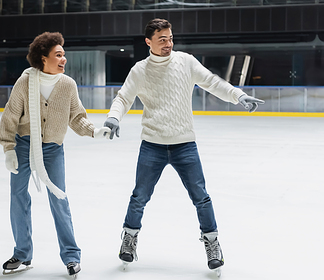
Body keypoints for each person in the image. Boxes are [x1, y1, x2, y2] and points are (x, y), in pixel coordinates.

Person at [103, 18, 264, 275]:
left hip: (184, 144)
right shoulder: (139, 70)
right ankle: (129, 238)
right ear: (149, 42)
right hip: (152, 145)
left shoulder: (185, 62)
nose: (168, 43)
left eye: (170, 38)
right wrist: (113, 117)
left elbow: (212, 82)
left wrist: (238, 95)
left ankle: (212, 244)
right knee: (139, 197)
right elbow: (124, 97)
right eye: (162, 39)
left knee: (201, 197)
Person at [0, 32, 109, 277]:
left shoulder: (67, 84)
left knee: (59, 199)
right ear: (43, 58)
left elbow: (77, 117)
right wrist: (9, 148)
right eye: (58, 55)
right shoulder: (25, 82)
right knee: (18, 196)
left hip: (52, 149)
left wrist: (94, 132)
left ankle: (71, 257)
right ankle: (22, 253)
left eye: (64, 55)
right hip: (23, 144)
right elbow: (10, 115)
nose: (63, 60)